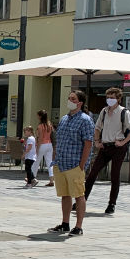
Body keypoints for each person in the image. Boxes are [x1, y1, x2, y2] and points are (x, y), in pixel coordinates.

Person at [84, 87, 130, 214]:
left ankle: (112, 203)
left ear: (119, 99)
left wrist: (123, 142)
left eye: (112, 98)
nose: (109, 100)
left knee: (115, 175)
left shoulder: (123, 112)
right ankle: (83, 199)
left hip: (118, 147)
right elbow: (97, 128)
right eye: (108, 97)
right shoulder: (104, 111)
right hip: (105, 146)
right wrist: (97, 141)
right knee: (92, 173)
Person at [48, 90, 93, 236]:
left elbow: (88, 144)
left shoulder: (85, 120)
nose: (69, 101)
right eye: (69, 98)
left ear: (80, 102)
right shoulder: (64, 119)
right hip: (61, 163)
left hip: (74, 164)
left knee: (79, 195)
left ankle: (78, 226)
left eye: (73, 99)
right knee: (65, 194)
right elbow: (58, 140)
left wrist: (82, 165)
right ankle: (65, 223)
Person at [36, 109, 55, 186]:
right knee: (49, 163)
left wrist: (37, 148)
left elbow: (40, 138)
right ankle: (51, 180)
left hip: (42, 144)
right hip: (49, 144)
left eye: (38, 115)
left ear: (40, 116)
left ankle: (31, 178)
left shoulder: (40, 126)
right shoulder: (49, 125)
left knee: (36, 162)